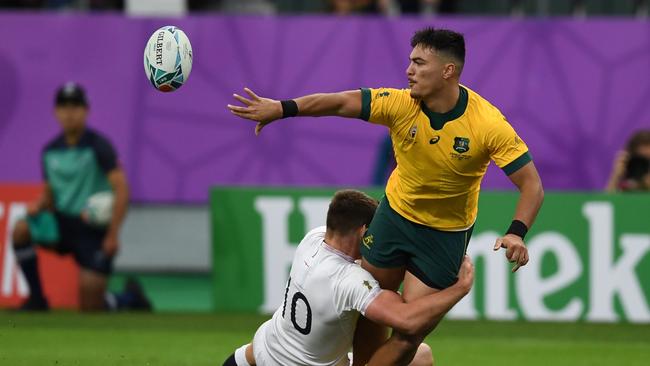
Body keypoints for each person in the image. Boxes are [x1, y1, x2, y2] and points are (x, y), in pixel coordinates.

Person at [227, 27, 544, 365]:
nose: (409, 70)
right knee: (372, 312)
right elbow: (340, 102)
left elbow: (532, 186)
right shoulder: (399, 104)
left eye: (420, 63)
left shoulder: (487, 124)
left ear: (447, 71)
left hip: (445, 236)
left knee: (411, 336)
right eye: (410, 61)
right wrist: (283, 108)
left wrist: (516, 232)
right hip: (394, 219)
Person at [222, 190, 474, 366]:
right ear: (364, 231)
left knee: (256, 350)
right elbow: (406, 320)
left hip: (265, 350)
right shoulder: (350, 281)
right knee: (421, 356)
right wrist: (459, 289)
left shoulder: (312, 239)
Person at [12, 82, 150, 312]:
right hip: (62, 224)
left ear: (86, 110)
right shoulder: (50, 151)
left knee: (90, 307)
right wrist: (40, 204)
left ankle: (129, 298)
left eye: (75, 106)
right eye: (64, 106)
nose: (69, 112)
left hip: (92, 229)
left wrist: (113, 235)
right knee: (20, 229)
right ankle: (36, 299)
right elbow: (50, 193)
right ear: (56, 112)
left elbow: (122, 189)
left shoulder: (99, 146)